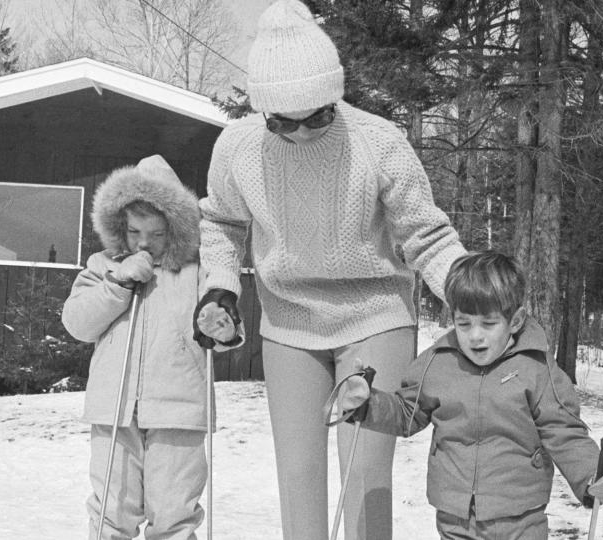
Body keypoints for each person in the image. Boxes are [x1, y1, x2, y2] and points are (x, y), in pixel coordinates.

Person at [193, 1, 468, 538]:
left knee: (364, 473)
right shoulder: (237, 147)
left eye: (316, 116)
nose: (299, 134)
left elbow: (426, 235)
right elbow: (221, 224)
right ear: (263, 112)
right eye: (282, 122)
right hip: (288, 323)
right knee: (298, 474)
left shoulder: (379, 141)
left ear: (335, 96)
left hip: (375, 315)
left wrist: (471, 291)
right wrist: (219, 290)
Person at [336, 251, 603, 539]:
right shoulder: (439, 362)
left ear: (516, 320)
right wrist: (368, 404)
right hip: (455, 517)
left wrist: (590, 475)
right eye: (464, 323)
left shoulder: (536, 368)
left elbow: (563, 429)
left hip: (520, 518)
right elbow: (408, 412)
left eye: (488, 323)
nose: (475, 336)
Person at [63, 155, 241, 540]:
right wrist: (117, 284)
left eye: (157, 234)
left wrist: (222, 329)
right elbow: (78, 323)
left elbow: (215, 328)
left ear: (175, 229)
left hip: (179, 411)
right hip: (115, 411)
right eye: (133, 231)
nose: (143, 243)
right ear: (117, 227)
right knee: (112, 511)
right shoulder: (102, 266)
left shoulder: (197, 270)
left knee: (174, 514)